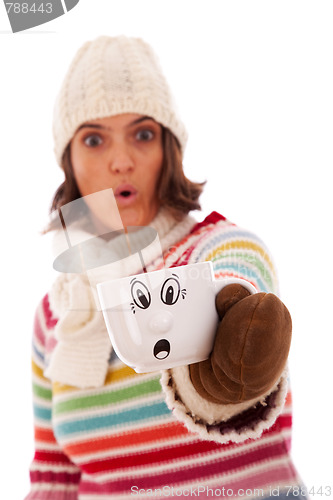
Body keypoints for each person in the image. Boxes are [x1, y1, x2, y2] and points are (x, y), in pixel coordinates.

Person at [25, 35, 305, 499]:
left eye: (143, 134)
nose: (121, 161)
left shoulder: (222, 249)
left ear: (168, 149)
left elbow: (231, 293)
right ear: (68, 160)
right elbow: (53, 479)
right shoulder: (55, 314)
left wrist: (232, 349)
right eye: (93, 139)